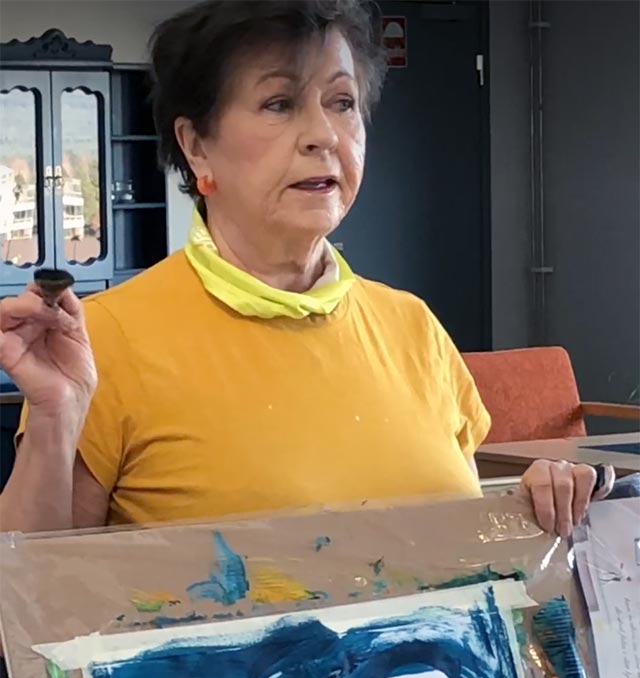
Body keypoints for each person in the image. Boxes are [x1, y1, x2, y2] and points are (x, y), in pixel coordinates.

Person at [0, 0, 612, 537]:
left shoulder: (412, 326)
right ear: (196, 145)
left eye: (342, 103)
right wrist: (55, 420)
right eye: (279, 103)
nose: (323, 134)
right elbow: (33, 591)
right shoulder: (106, 338)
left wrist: (535, 505)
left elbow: (457, 533)